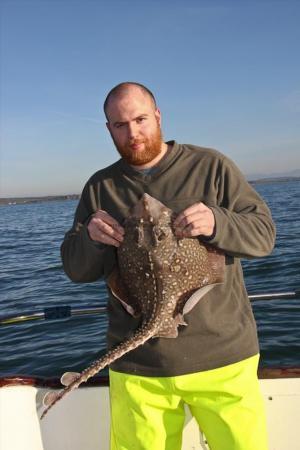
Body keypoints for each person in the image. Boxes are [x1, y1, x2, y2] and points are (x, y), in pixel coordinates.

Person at [61, 82, 275, 450]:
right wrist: (91, 240)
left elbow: (263, 235)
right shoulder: (100, 187)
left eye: (141, 119)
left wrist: (218, 222)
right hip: (140, 367)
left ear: (158, 116)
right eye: (120, 125)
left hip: (222, 359)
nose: (133, 133)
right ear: (108, 128)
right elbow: (76, 269)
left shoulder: (211, 167)